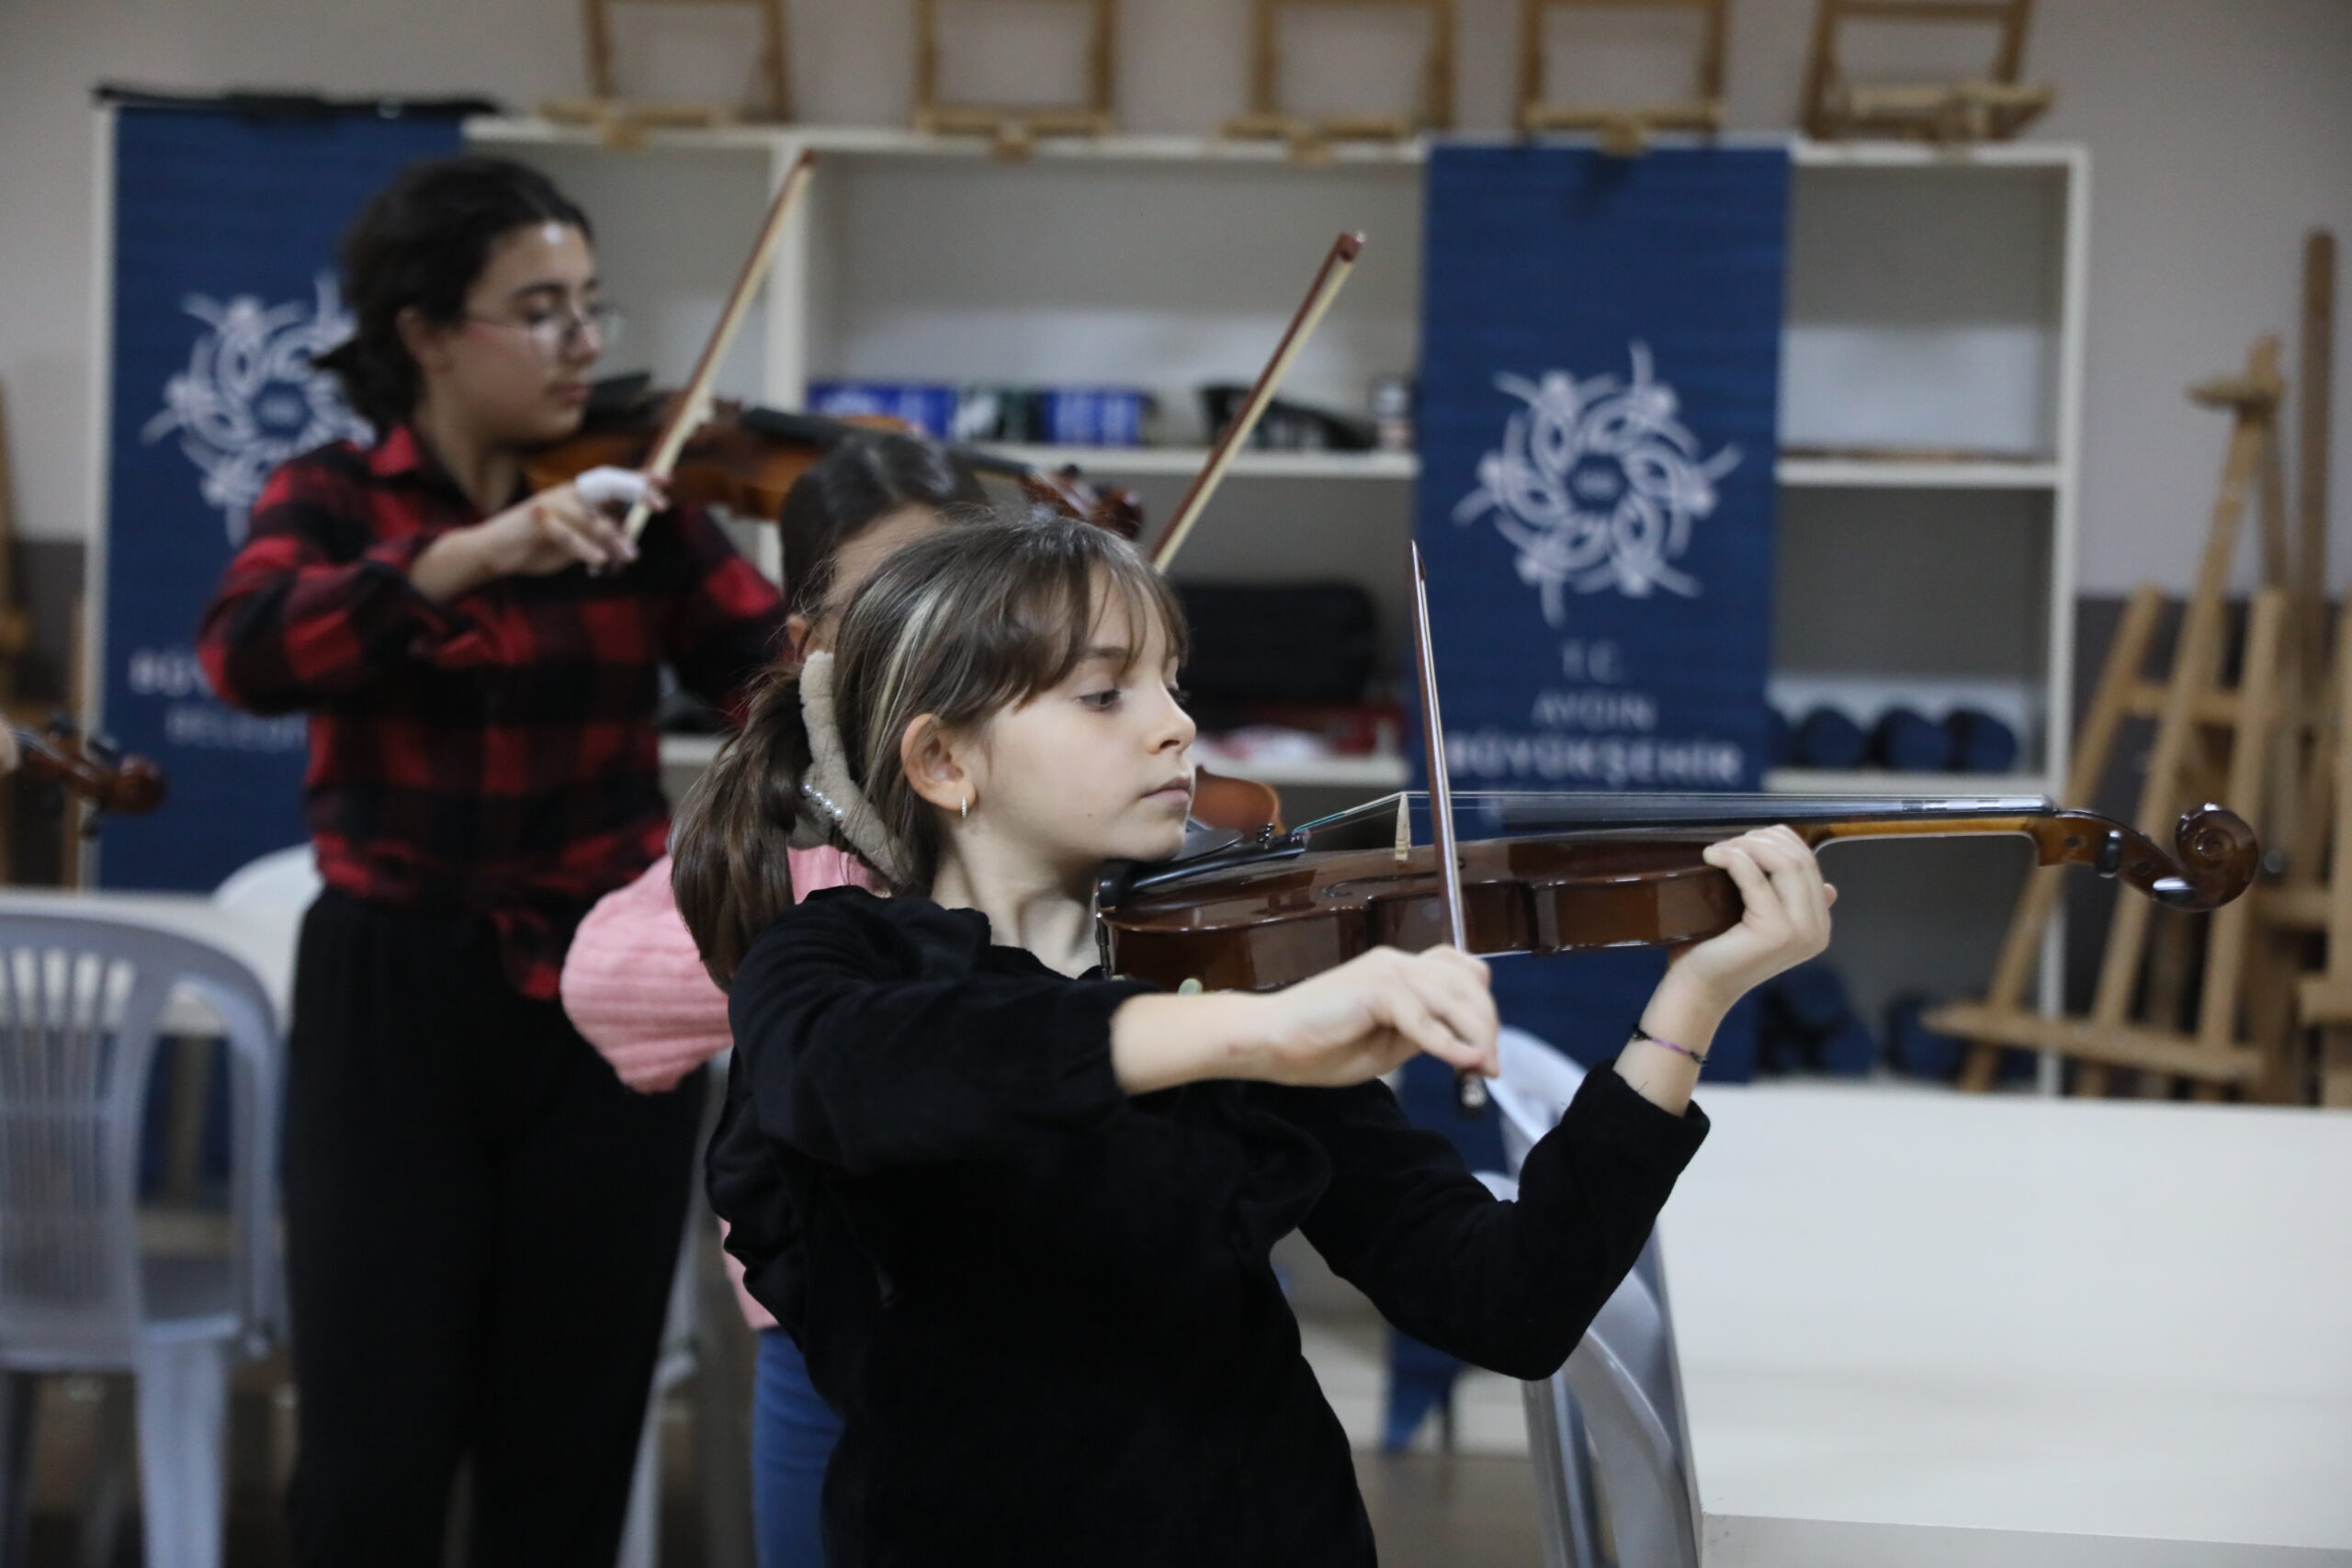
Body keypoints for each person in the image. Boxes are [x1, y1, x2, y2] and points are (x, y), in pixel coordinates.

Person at [679, 512, 1837, 1565]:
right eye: (1105, 694)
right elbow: (888, 1072)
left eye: (1172, 683)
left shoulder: (1230, 976)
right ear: (944, 761)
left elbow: (1508, 1304)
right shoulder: (835, 967)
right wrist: (1250, 1030)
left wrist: (1690, 1002)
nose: (1177, 725)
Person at [196, 154, 786, 1567]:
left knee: (567, 1432)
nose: (585, 342)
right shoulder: (333, 494)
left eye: (590, 303)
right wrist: (469, 555)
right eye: (539, 309)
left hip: (608, 991)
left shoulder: (637, 505)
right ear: (425, 333)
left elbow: (778, 680)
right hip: (392, 990)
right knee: (372, 1445)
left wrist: (884, 607)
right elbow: (248, 650)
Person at [560, 431, 981, 1568]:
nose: (933, 638)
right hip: (821, 1332)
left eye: (965, 596)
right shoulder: (788, 828)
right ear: (808, 646)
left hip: (1049, 1324)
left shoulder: (1056, 780)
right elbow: (603, 984)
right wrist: (833, 964)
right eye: (888, 607)